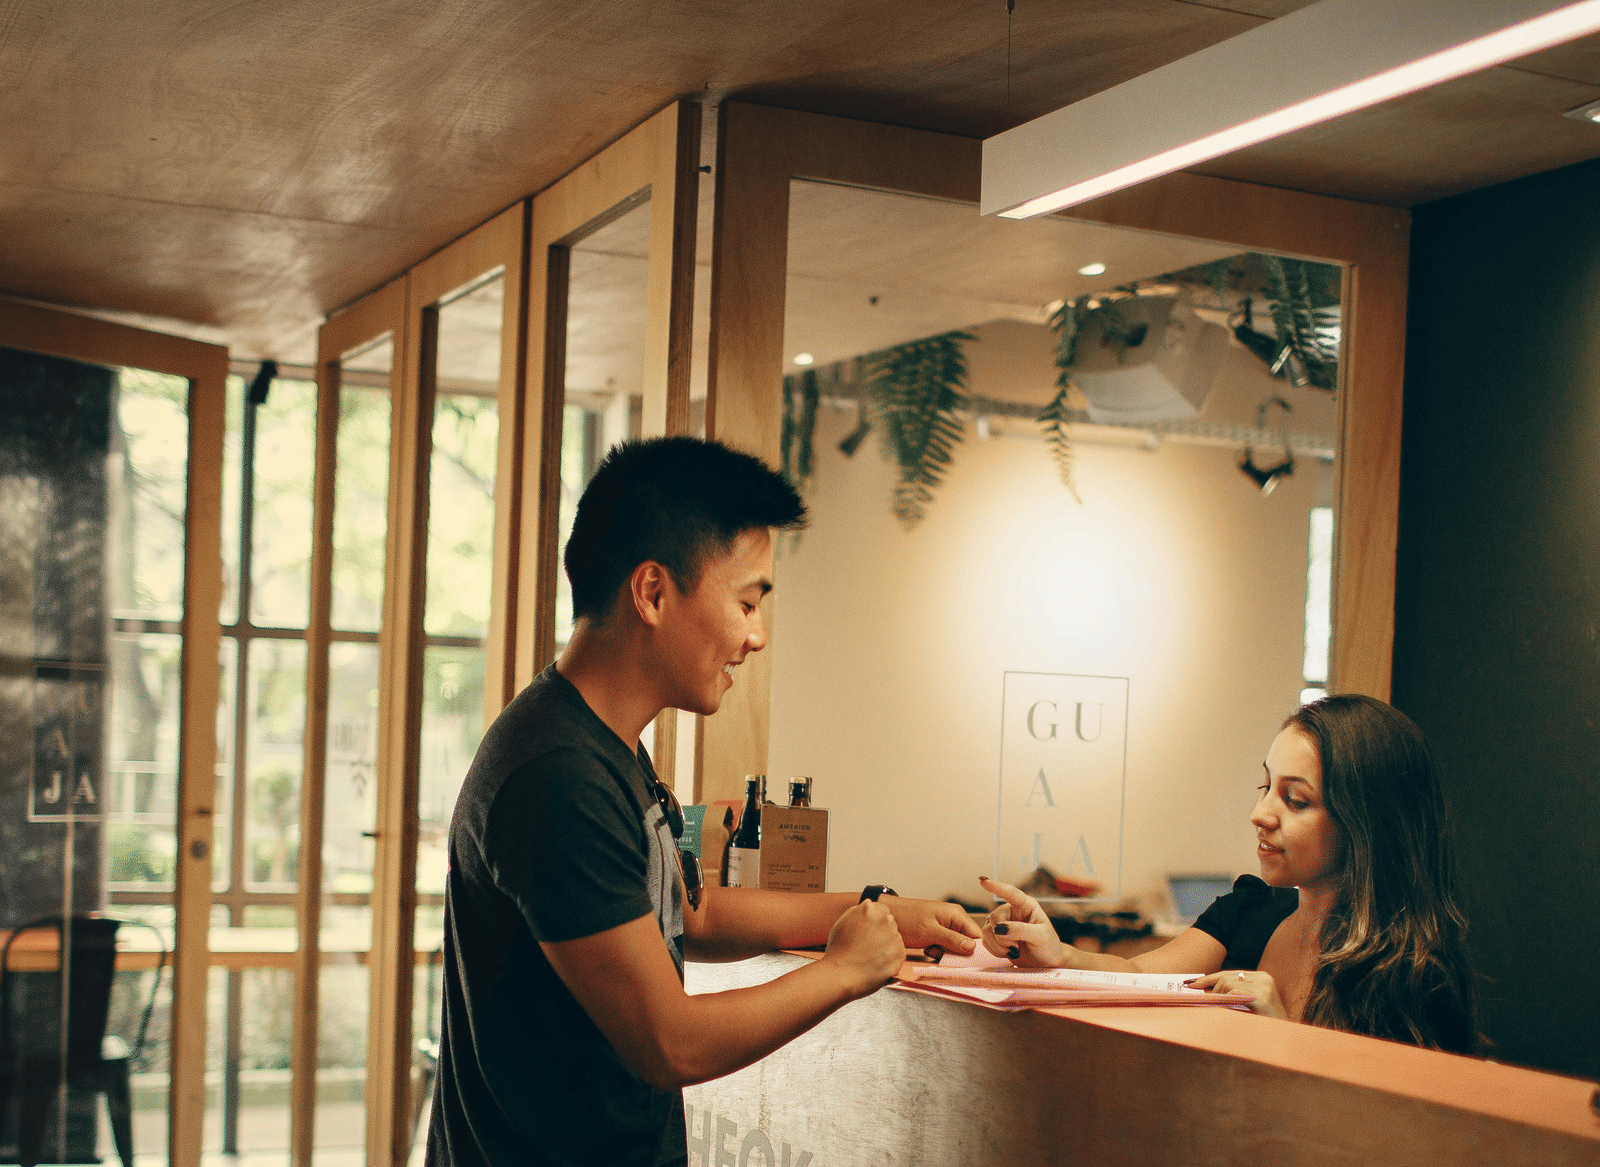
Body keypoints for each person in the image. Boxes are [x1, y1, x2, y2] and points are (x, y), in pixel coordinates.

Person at [426, 436, 979, 1167]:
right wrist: (844, 968)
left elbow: (690, 911)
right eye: (746, 601)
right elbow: (669, 1041)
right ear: (652, 592)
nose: (755, 636)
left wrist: (870, 909)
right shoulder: (558, 774)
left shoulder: (605, 746)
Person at [979, 694, 1477, 1053]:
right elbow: (1137, 977)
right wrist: (1056, 952)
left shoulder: (1411, 973)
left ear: (1366, 823)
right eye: (1265, 787)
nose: (1261, 814)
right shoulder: (1250, 909)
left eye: (1295, 799)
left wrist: (1281, 1033)